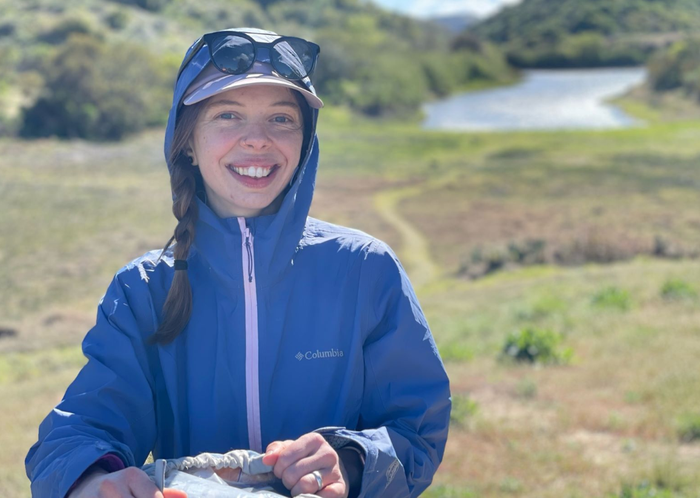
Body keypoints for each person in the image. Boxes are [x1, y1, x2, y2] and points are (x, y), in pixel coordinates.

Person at [25, 27, 451, 498]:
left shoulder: (366, 269)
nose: (257, 140)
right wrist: (92, 481)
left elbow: (416, 429)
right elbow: (79, 429)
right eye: (228, 115)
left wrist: (349, 462)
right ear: (188, 141)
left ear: (305, 141)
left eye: (281, 119)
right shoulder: (141, 289)